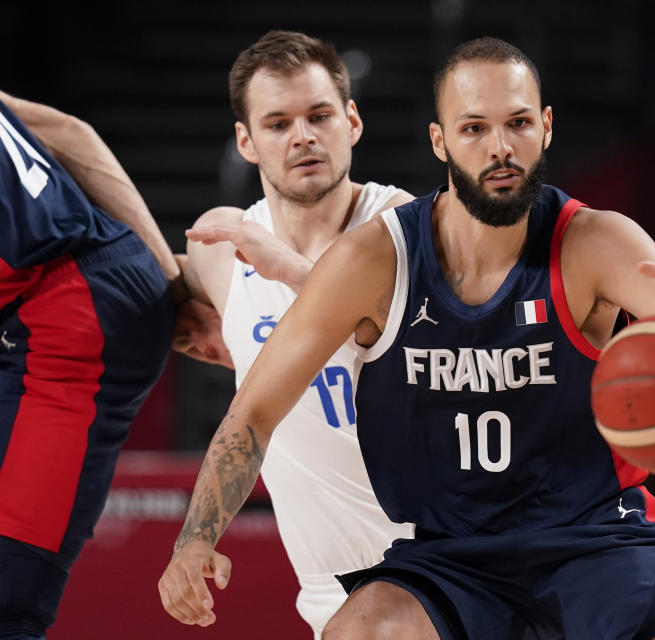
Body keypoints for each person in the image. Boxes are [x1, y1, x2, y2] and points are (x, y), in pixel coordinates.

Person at [158, 37, 655, 640]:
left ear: (545, 127)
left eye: (518, 123)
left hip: (595, 539)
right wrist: (194, 540)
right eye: (474, 128)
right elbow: (252, 413)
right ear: (440, 140)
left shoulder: (597, 243)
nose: (500, 148)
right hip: (453, 554)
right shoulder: (376, 257)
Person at [165, 30, 414, 636]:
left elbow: (431, 344)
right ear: (246, 141)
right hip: (329, 584)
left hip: (442, 554)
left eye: (319, 115)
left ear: (351, 121)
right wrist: (224, 348)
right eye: (277, 123)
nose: (302, 135)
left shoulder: (402, 224)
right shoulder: (223, 244)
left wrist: (292, 271)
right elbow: (157, 296)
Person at [0, 90, 182, 639]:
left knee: (7, 602)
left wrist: (169, 290)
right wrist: (165, 279)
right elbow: (66, 130)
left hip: (69, 313)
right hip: (66, 288)